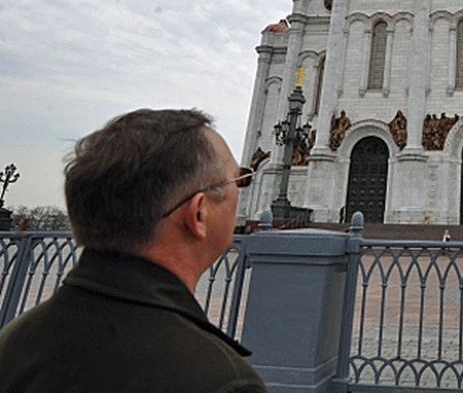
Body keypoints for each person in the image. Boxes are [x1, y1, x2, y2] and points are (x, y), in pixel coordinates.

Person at [0, 109, 267, 392]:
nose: (241, 190)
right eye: (238, 180)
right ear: (198, 213)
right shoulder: (223, 381)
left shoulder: (12, 343)